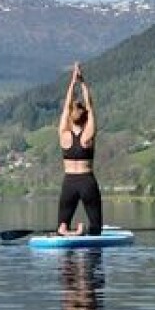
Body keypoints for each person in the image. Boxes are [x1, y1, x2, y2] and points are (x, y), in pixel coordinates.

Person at [57, 62, 102, 236]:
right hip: (87, 182)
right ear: (85, 119)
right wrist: (83, 82)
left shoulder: (63, 134)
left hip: (69, 182)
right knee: (96, 228)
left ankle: (68, 231)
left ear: (70, 117)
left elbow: (66, 107)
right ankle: (82, 232)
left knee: (62, 226)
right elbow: (90, 106)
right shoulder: (88, 135)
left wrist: (72, 83)